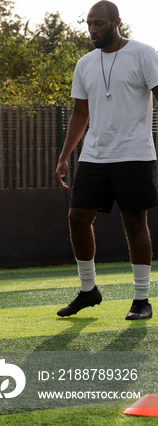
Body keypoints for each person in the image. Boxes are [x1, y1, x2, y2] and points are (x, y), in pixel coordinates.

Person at [55, 1, 158, 320]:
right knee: (76, 218)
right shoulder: (85, 63)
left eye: (99, 23)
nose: (92, 30)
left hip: (134, 153)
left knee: (134, 224)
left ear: (116, 22)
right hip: (95, 156)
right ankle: (88, 290)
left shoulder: (143, 53)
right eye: (89, 24)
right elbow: (80, 112)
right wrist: (64, 155)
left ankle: (142, 300)